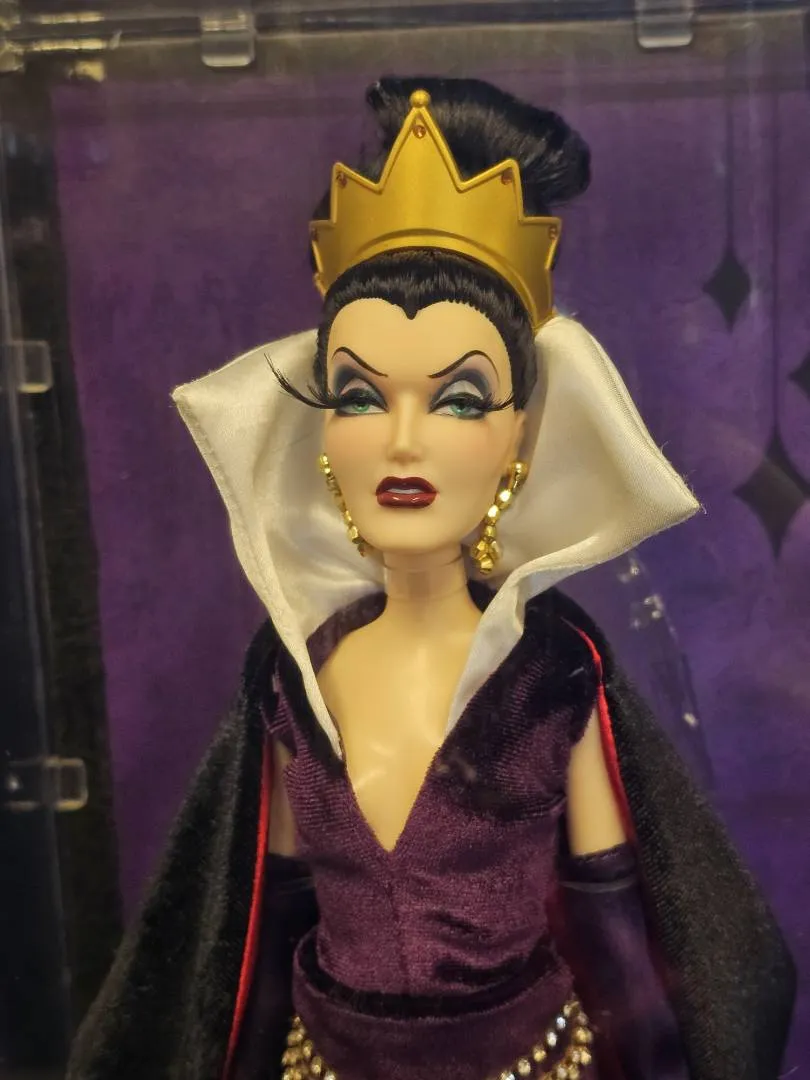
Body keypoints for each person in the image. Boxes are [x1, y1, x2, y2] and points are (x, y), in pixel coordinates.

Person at [67, 77, 794, 1080]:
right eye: (360, 395)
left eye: (458, 399)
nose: (402, 442)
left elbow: (619, 929)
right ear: (322, 427)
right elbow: (258, 931)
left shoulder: (552, 674)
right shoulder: (296, 676)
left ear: (519, 435)